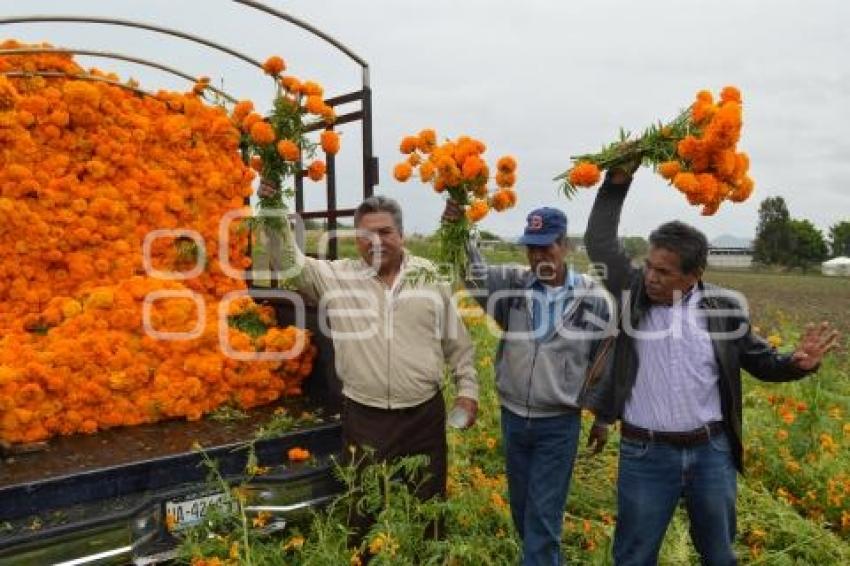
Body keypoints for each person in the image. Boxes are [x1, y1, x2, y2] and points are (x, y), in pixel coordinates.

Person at [583, 164, 840, 566]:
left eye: (663, 272)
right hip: (646, 453)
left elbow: (761, 362)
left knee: (719, 555)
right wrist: (617, 183)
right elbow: (599, 242)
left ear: (694, 275)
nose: (651, 276)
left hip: (710, 454)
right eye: (649, 266)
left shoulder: (723, 308)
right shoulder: (634, 293)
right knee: (634, 556)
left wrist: (796, 363)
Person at [259, 182, 479, 536]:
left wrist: (467, 390)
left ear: (402, 235)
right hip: (365, 418)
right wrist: (270, 208)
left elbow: (458, 344)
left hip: (423, 416)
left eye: (384, 232)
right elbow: (289, 262)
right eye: (365, 234)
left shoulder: (430, 277)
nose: (375, 241)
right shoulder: (337, 277)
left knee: (428, 515)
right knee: (361, 515)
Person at [444, 202, 614, 566]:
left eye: (546, 246)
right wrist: (460, 230)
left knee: (541, 520)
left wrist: (603, 416)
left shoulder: (592, 298)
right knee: (524, 515)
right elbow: (475, 276)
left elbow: (605, 358)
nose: (538, 256)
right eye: (532, 247)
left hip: (558, 423)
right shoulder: (514, 284)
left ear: (564, 245)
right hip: (514, 419)